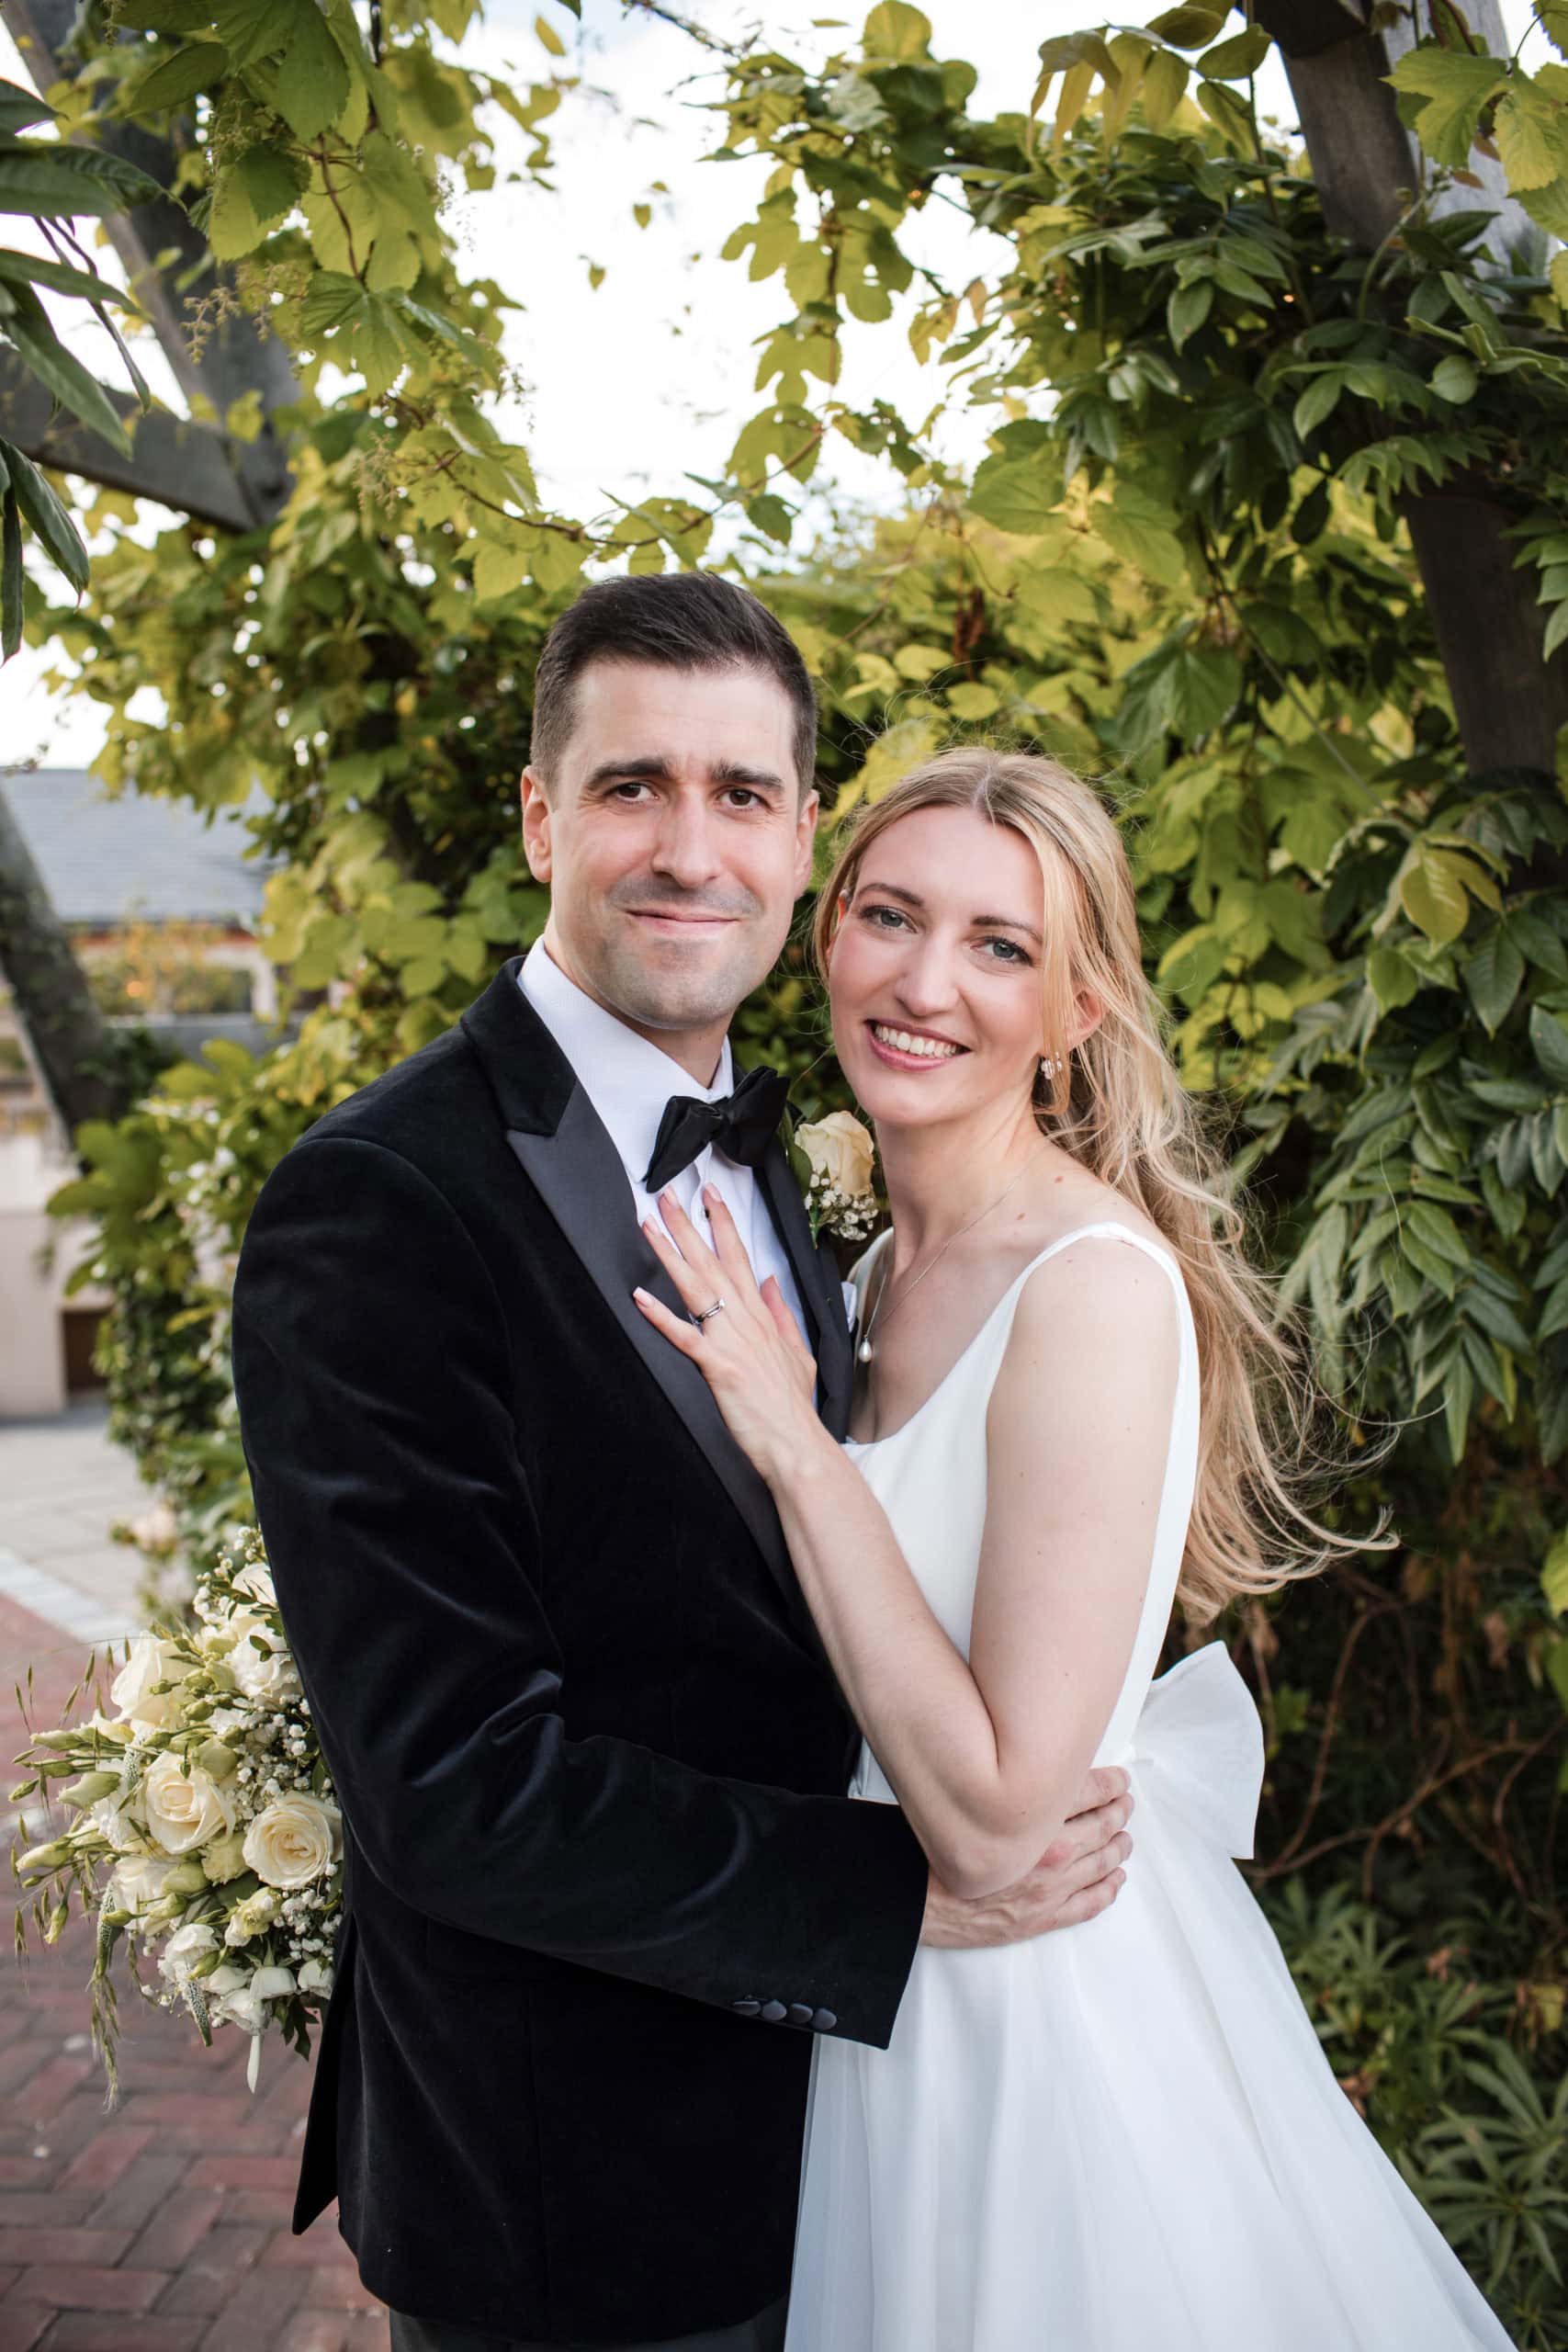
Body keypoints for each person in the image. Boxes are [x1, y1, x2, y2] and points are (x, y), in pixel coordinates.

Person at [229, 578, 1134, 2352]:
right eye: (634, 786)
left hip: (861, 2151)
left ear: (801, 839)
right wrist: (897, 1894)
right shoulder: (381, 1199)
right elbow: (449, 1783)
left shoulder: (796, 1166)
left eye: (740, 796)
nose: (687, 848)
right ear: (542, 817)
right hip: (583, 2193)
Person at [636, 747, 1516, 2352]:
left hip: (1030, 2036)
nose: (922, 982)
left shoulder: (1091, 1291)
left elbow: (991, 1821)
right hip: (874, 1995)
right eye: (890, 917)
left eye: (1000, 947)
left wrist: (791, 1441)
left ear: (1077, 1011)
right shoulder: (857, 1269)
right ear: (826, 935)